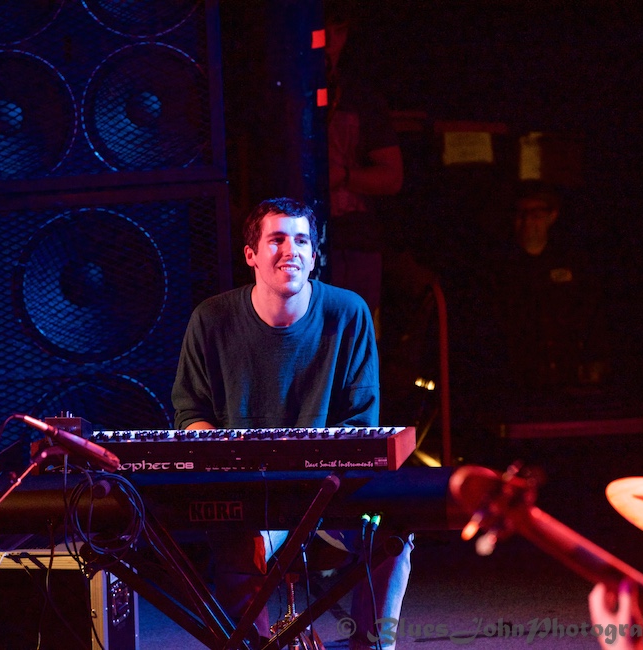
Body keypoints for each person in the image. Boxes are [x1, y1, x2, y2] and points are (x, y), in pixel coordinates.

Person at [171, 197, 412, 649]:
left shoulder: (348, 313)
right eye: (277, 239)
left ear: (315, 256)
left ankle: (374, 646)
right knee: (239, 546)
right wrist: (220, 455)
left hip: (328, 488)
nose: (291, 250)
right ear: (251, 256)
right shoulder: (212, 319)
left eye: (302, 240)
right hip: (250, 493)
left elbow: (361, 422)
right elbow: (190, 412)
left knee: (393, 532)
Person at [488, 181, 611, 394]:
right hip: (519, 382)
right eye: (521, 213)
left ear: (551, 217)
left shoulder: (571, 263)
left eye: (535, 213)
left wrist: (595, 359)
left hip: (566, 377)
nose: (527, 220)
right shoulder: (500, 269)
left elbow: (592, 313)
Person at [324, 0, 404, 322]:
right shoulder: (275, 93)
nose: (330, 42)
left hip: (353, 247)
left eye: (339, 32)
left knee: (353, 346)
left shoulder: (360, 98)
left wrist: (342, 176)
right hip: (295, 247)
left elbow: (392, 177)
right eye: (324, 31)